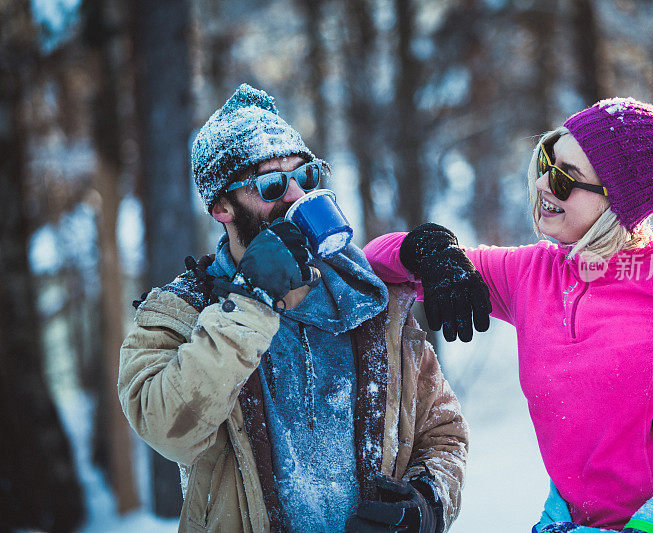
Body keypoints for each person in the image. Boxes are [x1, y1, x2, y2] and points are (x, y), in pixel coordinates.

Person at [363, 98, 653, 531]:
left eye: (565, 179)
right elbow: (374, 265)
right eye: (545, 166)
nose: (542, 186)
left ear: (619, 201)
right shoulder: (528, 274)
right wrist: (429, 250)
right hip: (574, 523)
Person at [117, 83, 468, 533]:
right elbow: (166, 427)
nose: (296, 196)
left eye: (306, 177)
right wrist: (251, 301)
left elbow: (444, 433)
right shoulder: (179, 312)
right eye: (271, 184)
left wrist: (426, 504)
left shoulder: (369, 297)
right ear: (221, 206)